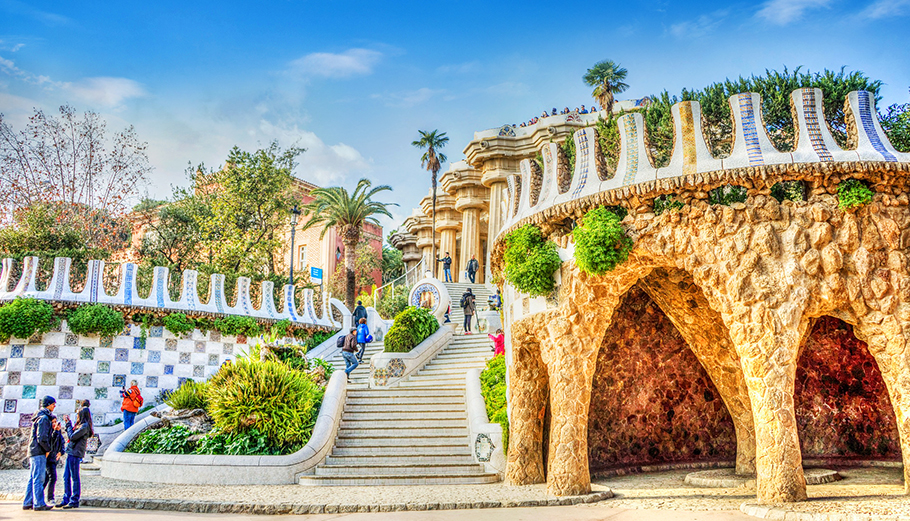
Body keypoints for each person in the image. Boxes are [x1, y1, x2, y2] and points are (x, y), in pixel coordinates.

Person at [23, 396, 55, 511]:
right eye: (53, 404)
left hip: (34, 450)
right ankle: (39, 503)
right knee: (39, 478)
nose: (54, 406)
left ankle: (28, 502)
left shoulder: (38, 416)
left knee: (33, 477)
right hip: (39, 451)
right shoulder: (44, 418)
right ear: (48, 404)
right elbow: (42, 437)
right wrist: (47, 449)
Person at [59, 402, 92, 509]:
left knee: (74, 477)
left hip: (75, 453)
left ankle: (74, 499)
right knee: (66, 476)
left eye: (78, 414)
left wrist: (68, 424)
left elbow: (72, 437)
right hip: (72, 452)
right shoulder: (81, 426)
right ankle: (66, 498)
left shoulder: (84, 427)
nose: (77, 416)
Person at [44, 416, 64, 505]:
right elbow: (51, 442)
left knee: (46, 478)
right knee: (53, 477)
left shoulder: (58, 432)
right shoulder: (48, 432)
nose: (54, 424)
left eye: (55, 422)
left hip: (54, 458)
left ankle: (37, 496)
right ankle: (50, 498)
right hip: (49, 459)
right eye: (52, 422)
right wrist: (55, 431)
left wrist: (61, 452)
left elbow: (62, 443)